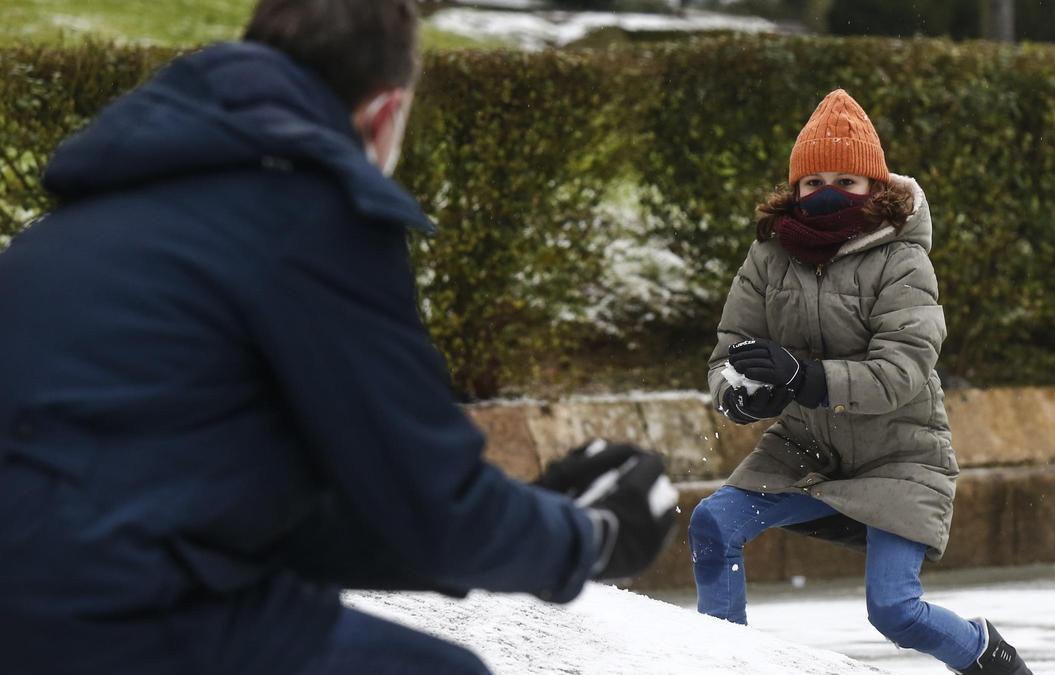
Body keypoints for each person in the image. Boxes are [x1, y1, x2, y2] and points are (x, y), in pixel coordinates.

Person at [0, 1, 676, 673]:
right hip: (111, 615)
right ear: (385, 115)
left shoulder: (95, 211)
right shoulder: (309, 214)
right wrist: (594, 536)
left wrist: (535, 512)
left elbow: (290, 526)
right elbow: (431, 508)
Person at [689, 89, 1033, 675]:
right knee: (712, 522)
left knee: (895, 611)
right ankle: (728, 660)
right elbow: (728, 355)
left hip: (900, 456)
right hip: (805, 450)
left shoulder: (903, 262)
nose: (825, 193)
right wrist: (744, 395)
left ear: (876, 190)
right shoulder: (768, 257)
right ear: (792, 190)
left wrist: (806, 376)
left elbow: (903, 371)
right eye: (811, 181)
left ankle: (988, 658)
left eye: (846, 182)